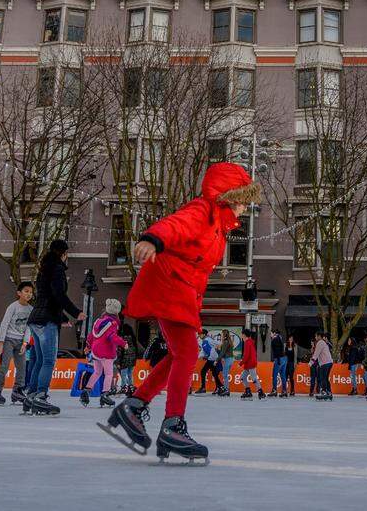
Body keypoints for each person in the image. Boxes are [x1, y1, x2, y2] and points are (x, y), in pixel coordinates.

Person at [103, 162, 259, 465]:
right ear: (227, 195)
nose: (245, 207)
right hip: (169, 282)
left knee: (180, 353)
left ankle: (134, 405)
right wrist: (153, 239)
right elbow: (176, 224)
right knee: (186, 353)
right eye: (242, 199)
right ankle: (172, 424)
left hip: (182, 289)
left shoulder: (219, 226)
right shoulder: (204, 211)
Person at [24, 239, 86, 415]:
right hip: (46, 320)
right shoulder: (57, 268)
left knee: (38, 360)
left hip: (36, 318)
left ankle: (31, 396)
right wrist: (75, 312)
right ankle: (41, 396)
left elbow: (47, 297)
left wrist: (63, 317)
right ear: (63, 254)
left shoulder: (43, 269)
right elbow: (58, 294)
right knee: (49, 360)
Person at [0, 281, 34, 405]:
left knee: (22, 367)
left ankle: (17, 391)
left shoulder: (31, 309)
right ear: (19, 293)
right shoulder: (13, 306)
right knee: (4, 365)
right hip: (8, 339)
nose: (29, 294)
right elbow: (4, 323)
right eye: (26, 291)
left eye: (30, 292)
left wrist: (25, 343)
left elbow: (29, 327)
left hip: (20, 342)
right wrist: (1, 342)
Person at [83, 299, 126, 407]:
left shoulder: (98, 321)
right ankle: (105, 394)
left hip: (95, 350)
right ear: (116, 311)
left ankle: (86, 391)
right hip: (106, 350)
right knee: (108, 373)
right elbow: (112, 336)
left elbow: (91, 336)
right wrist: (123, 343)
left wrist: (88, 346)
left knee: (97, 372)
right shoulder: (113, 322)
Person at [238, 328, 266, 400]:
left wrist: (241, 363)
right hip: (249, 364)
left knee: (254, 378)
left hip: (250, 363)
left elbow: (246, 355)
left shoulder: (247, 342)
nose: (241, 336)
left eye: (242, 334)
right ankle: (248, 391)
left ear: (244, 335)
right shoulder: (249, 342)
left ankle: (261, 393)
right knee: (242, 377)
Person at [195, 329, 223, 395]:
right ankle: (221, 387)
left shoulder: (208, 340)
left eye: (200, 334)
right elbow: (203, 352)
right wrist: (197, 357)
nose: (199, 335)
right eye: (198, 334)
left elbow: (218, 344)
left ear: (204, 334)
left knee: (204, 371)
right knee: (213, 374)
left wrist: (210, 357)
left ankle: (204, 388)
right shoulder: (204, 342)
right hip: (211, 359)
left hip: (213, 359)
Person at [309, 330, 333, 400]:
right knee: (325, 378)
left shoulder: (320, 342)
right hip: (329, 362)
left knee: (323, 378)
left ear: (319, 336)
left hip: (325, 363)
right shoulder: (324, 342)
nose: (315, 337)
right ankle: (329, 392)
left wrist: (311, 362)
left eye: (316, 336)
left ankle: (324, 391)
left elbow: (316, 353)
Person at [115, 323, 138, 396]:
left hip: (124, 359)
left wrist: (118, 362)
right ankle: (131, 387)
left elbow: (119, 351)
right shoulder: (133, 338)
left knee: (123, 374)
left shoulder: (122, 338)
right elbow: (136, 350)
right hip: (132, 359)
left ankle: (124, 387)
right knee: (130, 374)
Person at [215, 330, 234, 397]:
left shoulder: (225, 342)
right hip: (231, 359)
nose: (221, 335)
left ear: (224, 334)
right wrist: (218, 349)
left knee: (225, 375)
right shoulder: (229, 341)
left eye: (222, 334)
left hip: (227, 359)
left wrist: (216, 360)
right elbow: (224, 351)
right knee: (225, 374)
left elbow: (222, 353)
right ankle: (226, 389)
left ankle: (226, 390)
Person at [270, 330, 288, 397]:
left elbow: (277, 351)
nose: (270, 335)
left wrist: (277, 359)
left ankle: (274, 390)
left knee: (274, 375)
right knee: (283, 375)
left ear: (274, 333)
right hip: (284, 358)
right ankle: (284, 391)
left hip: (279, 359)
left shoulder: (275, 339)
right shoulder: (280, 338)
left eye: (271, 333)